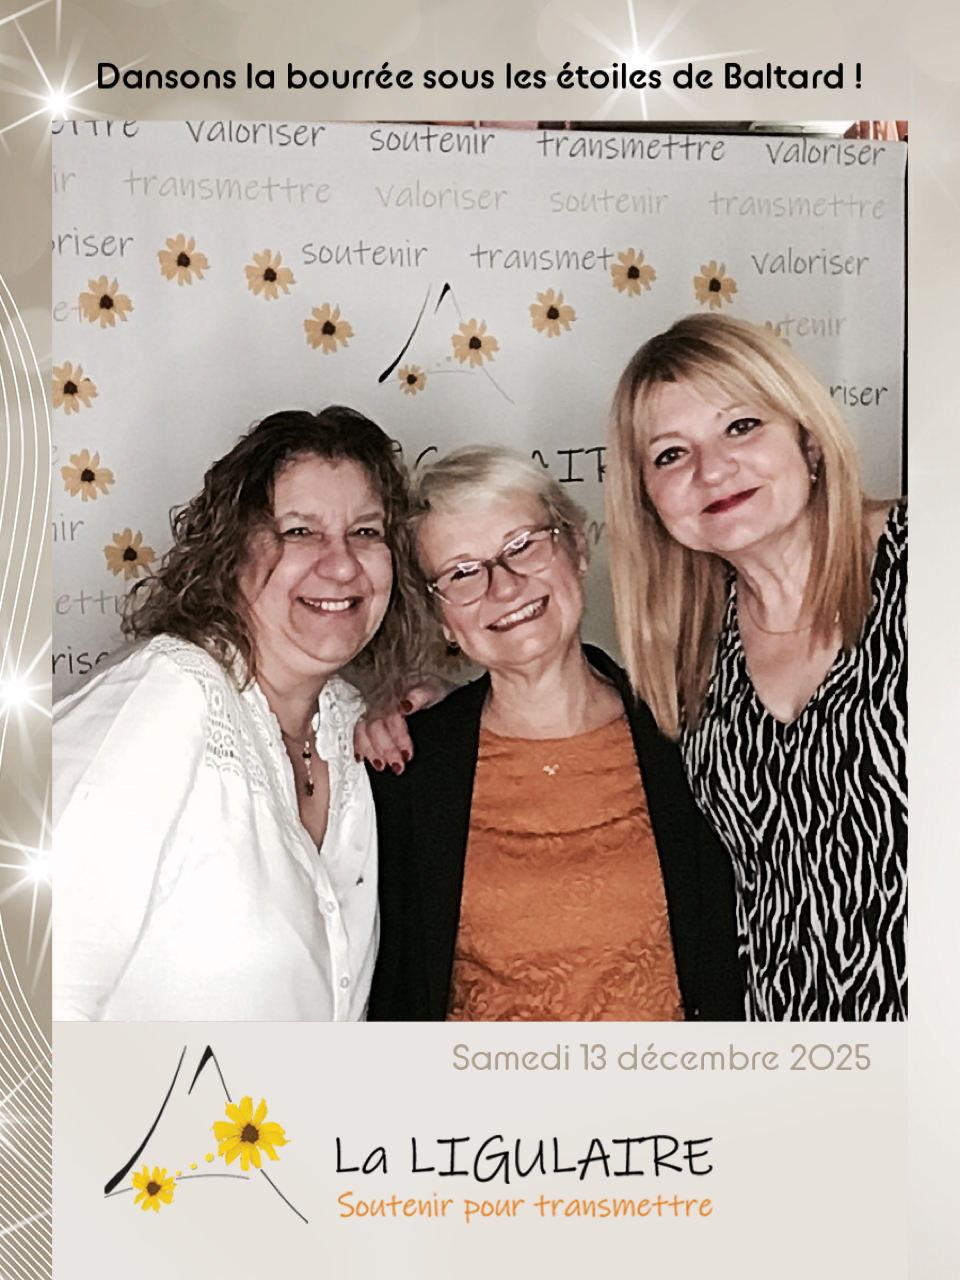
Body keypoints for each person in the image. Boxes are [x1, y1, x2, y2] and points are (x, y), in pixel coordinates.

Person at [53, 407, 426, 1021]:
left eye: (366, 531)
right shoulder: (166, 697)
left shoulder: (351, 725)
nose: (341, 564)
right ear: (231, 552)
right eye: (300, 532)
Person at [366, 447, 743, 1022]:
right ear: (441, 618)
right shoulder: (405, 766)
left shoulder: (692, 730)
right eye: (463, 572)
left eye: (522, 546)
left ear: (577, 548)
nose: (504, 586)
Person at [606, 314, 906, 1021]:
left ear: (808, 439)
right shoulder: (686, 646)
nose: (712, 470)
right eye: (670, 455)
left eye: (741, 426)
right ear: (647, 497)